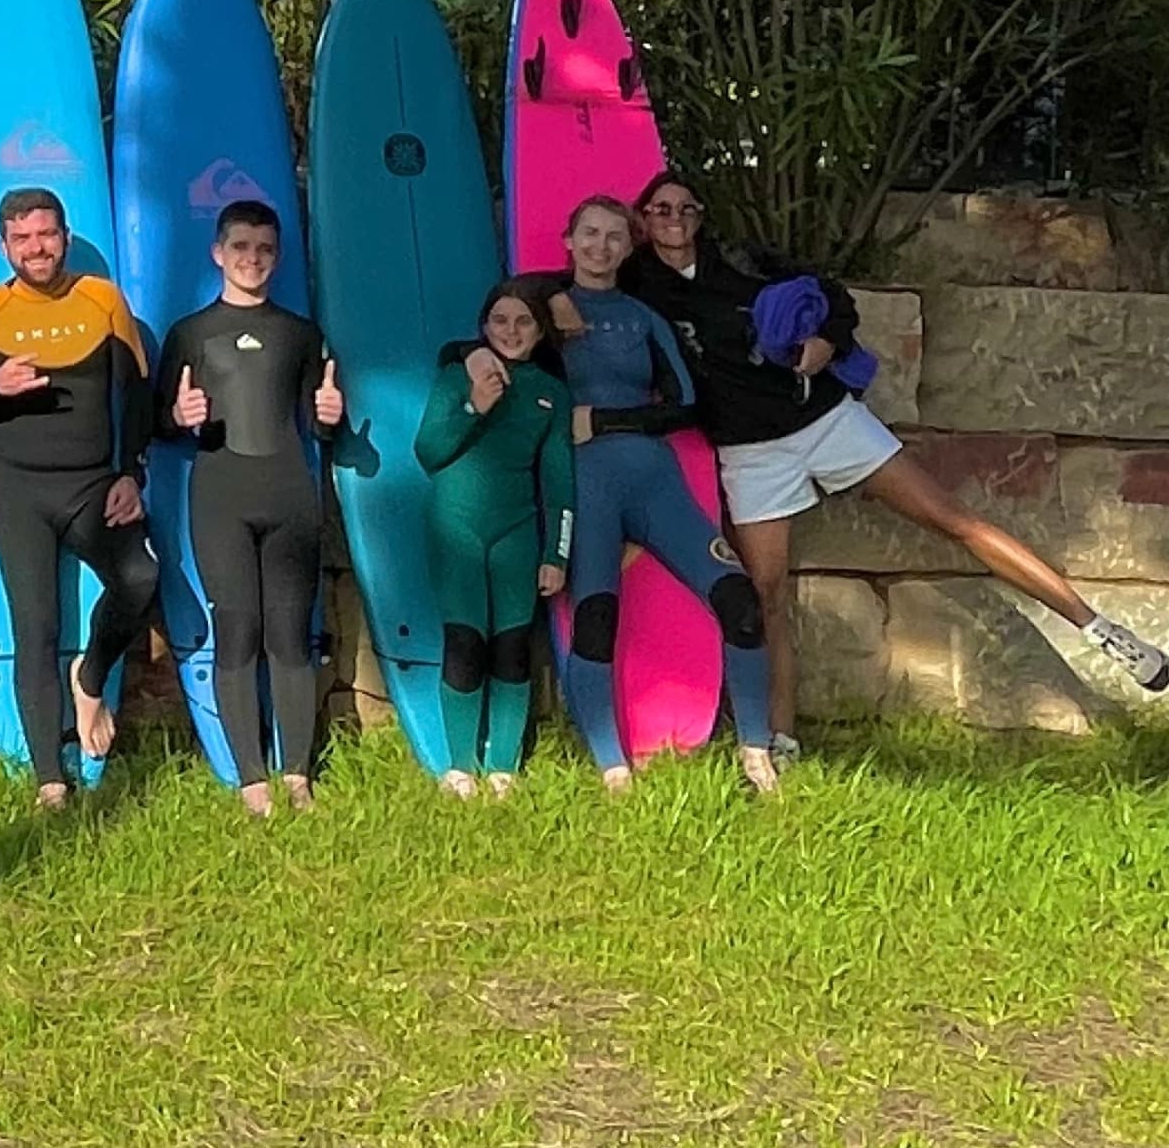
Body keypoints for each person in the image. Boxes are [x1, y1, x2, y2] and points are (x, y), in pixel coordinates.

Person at [622, 170, 1169, 728]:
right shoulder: (637, 285)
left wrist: (825, 341)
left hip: (825, 419)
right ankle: (776, 742)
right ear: (643, 221)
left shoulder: (742, 260)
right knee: (767, 595)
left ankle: (1103, 631)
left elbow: (831, 296)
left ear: (699, 217)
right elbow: (565, 293)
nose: (674, 220)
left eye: (685, 209)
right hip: (750, 450)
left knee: (954, 519)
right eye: (661, 210)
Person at [544, 194, 778, 796]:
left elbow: (686, 405)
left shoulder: (644, 318)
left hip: (656, 481)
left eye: (615, 236)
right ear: (567, 241)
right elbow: (483, 344)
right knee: (594, 619)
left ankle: (758, 754)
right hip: (585, 488)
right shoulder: (539, 307)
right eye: (589, 234)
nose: (601, 247)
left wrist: (602, 421)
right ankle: (612, 769)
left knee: (739, 598)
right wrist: (546, 299)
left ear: (630, 246)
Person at [0, 187, 159, 807]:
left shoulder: (102, 301)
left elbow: (137, 393)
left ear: (64, 236)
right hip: (18, 491)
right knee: (34, 627)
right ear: (4, 245)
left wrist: (130, 474)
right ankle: (50, 780)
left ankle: (90, 677)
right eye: (23, 238)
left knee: (140, 577)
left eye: (47, 235)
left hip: (93, 485)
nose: (37, 248)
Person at [151, 198, 345, 817]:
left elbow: (321, 423)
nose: (252, 260)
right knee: (237, 632)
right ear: (218, 254)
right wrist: (177, 418)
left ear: (277, 256)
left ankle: (296, 774)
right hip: (220, 496)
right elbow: (156, 421)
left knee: (291, 636)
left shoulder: (300, 333)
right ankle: (250, 779)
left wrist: (330, 420)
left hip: (289, 493)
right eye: (240, 248)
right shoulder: (190, 333)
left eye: (264, 249)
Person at [416, 281, 576, 797]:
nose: (511, 332)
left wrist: (557, 553)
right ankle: (459, 768)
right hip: (456, 528)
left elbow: (559, 481)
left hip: (516, 532)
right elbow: (429, 451)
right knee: (465, 642)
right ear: (484, 327)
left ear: (540, 330)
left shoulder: (552, 393)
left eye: (524, 322)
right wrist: (474, 405)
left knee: (511, 647)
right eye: (500, 321)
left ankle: (502, 767)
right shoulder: (455, 378)